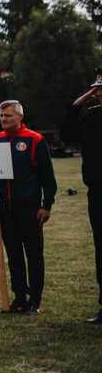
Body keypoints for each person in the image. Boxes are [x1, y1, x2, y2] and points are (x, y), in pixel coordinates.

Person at [0, 100, 57, 315]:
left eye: (8, 116)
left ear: (20, 117)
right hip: (5, 209)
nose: (3, 119)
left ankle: (34, 301)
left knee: (33, 254)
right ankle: (19, 298)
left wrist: (47, 205)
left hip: (30, 208)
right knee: (14, 254)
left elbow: (48, 177)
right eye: (1, 116)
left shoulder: (35, 140)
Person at [64, 75, 102, 323]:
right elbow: (67, 132)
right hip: (97, 189)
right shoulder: (92, 116)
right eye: (96, 89)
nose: (98, 93)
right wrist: (83, 100)